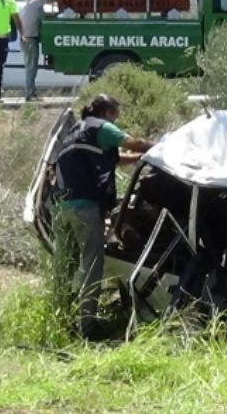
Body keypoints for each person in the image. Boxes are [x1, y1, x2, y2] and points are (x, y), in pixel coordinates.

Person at [55, 95, 156, 339]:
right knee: (92, 265)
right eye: (116, 114)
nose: (116, 119)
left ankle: (61, 318)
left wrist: (142, 160)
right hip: (86, 207)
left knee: (65, 267)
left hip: (63, 208)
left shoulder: (74, 132)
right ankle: (87, 328)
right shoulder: (102, 127)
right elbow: (135, 143)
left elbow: (117, 159)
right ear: (109, 112)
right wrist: (161, 148)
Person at [20, 0, 44, 102]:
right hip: (30, 38)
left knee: (30, 66)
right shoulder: (36, 2)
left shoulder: (27, 4)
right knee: (31, 67)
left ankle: (32, 91)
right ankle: (30, 93)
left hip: (26, 38)